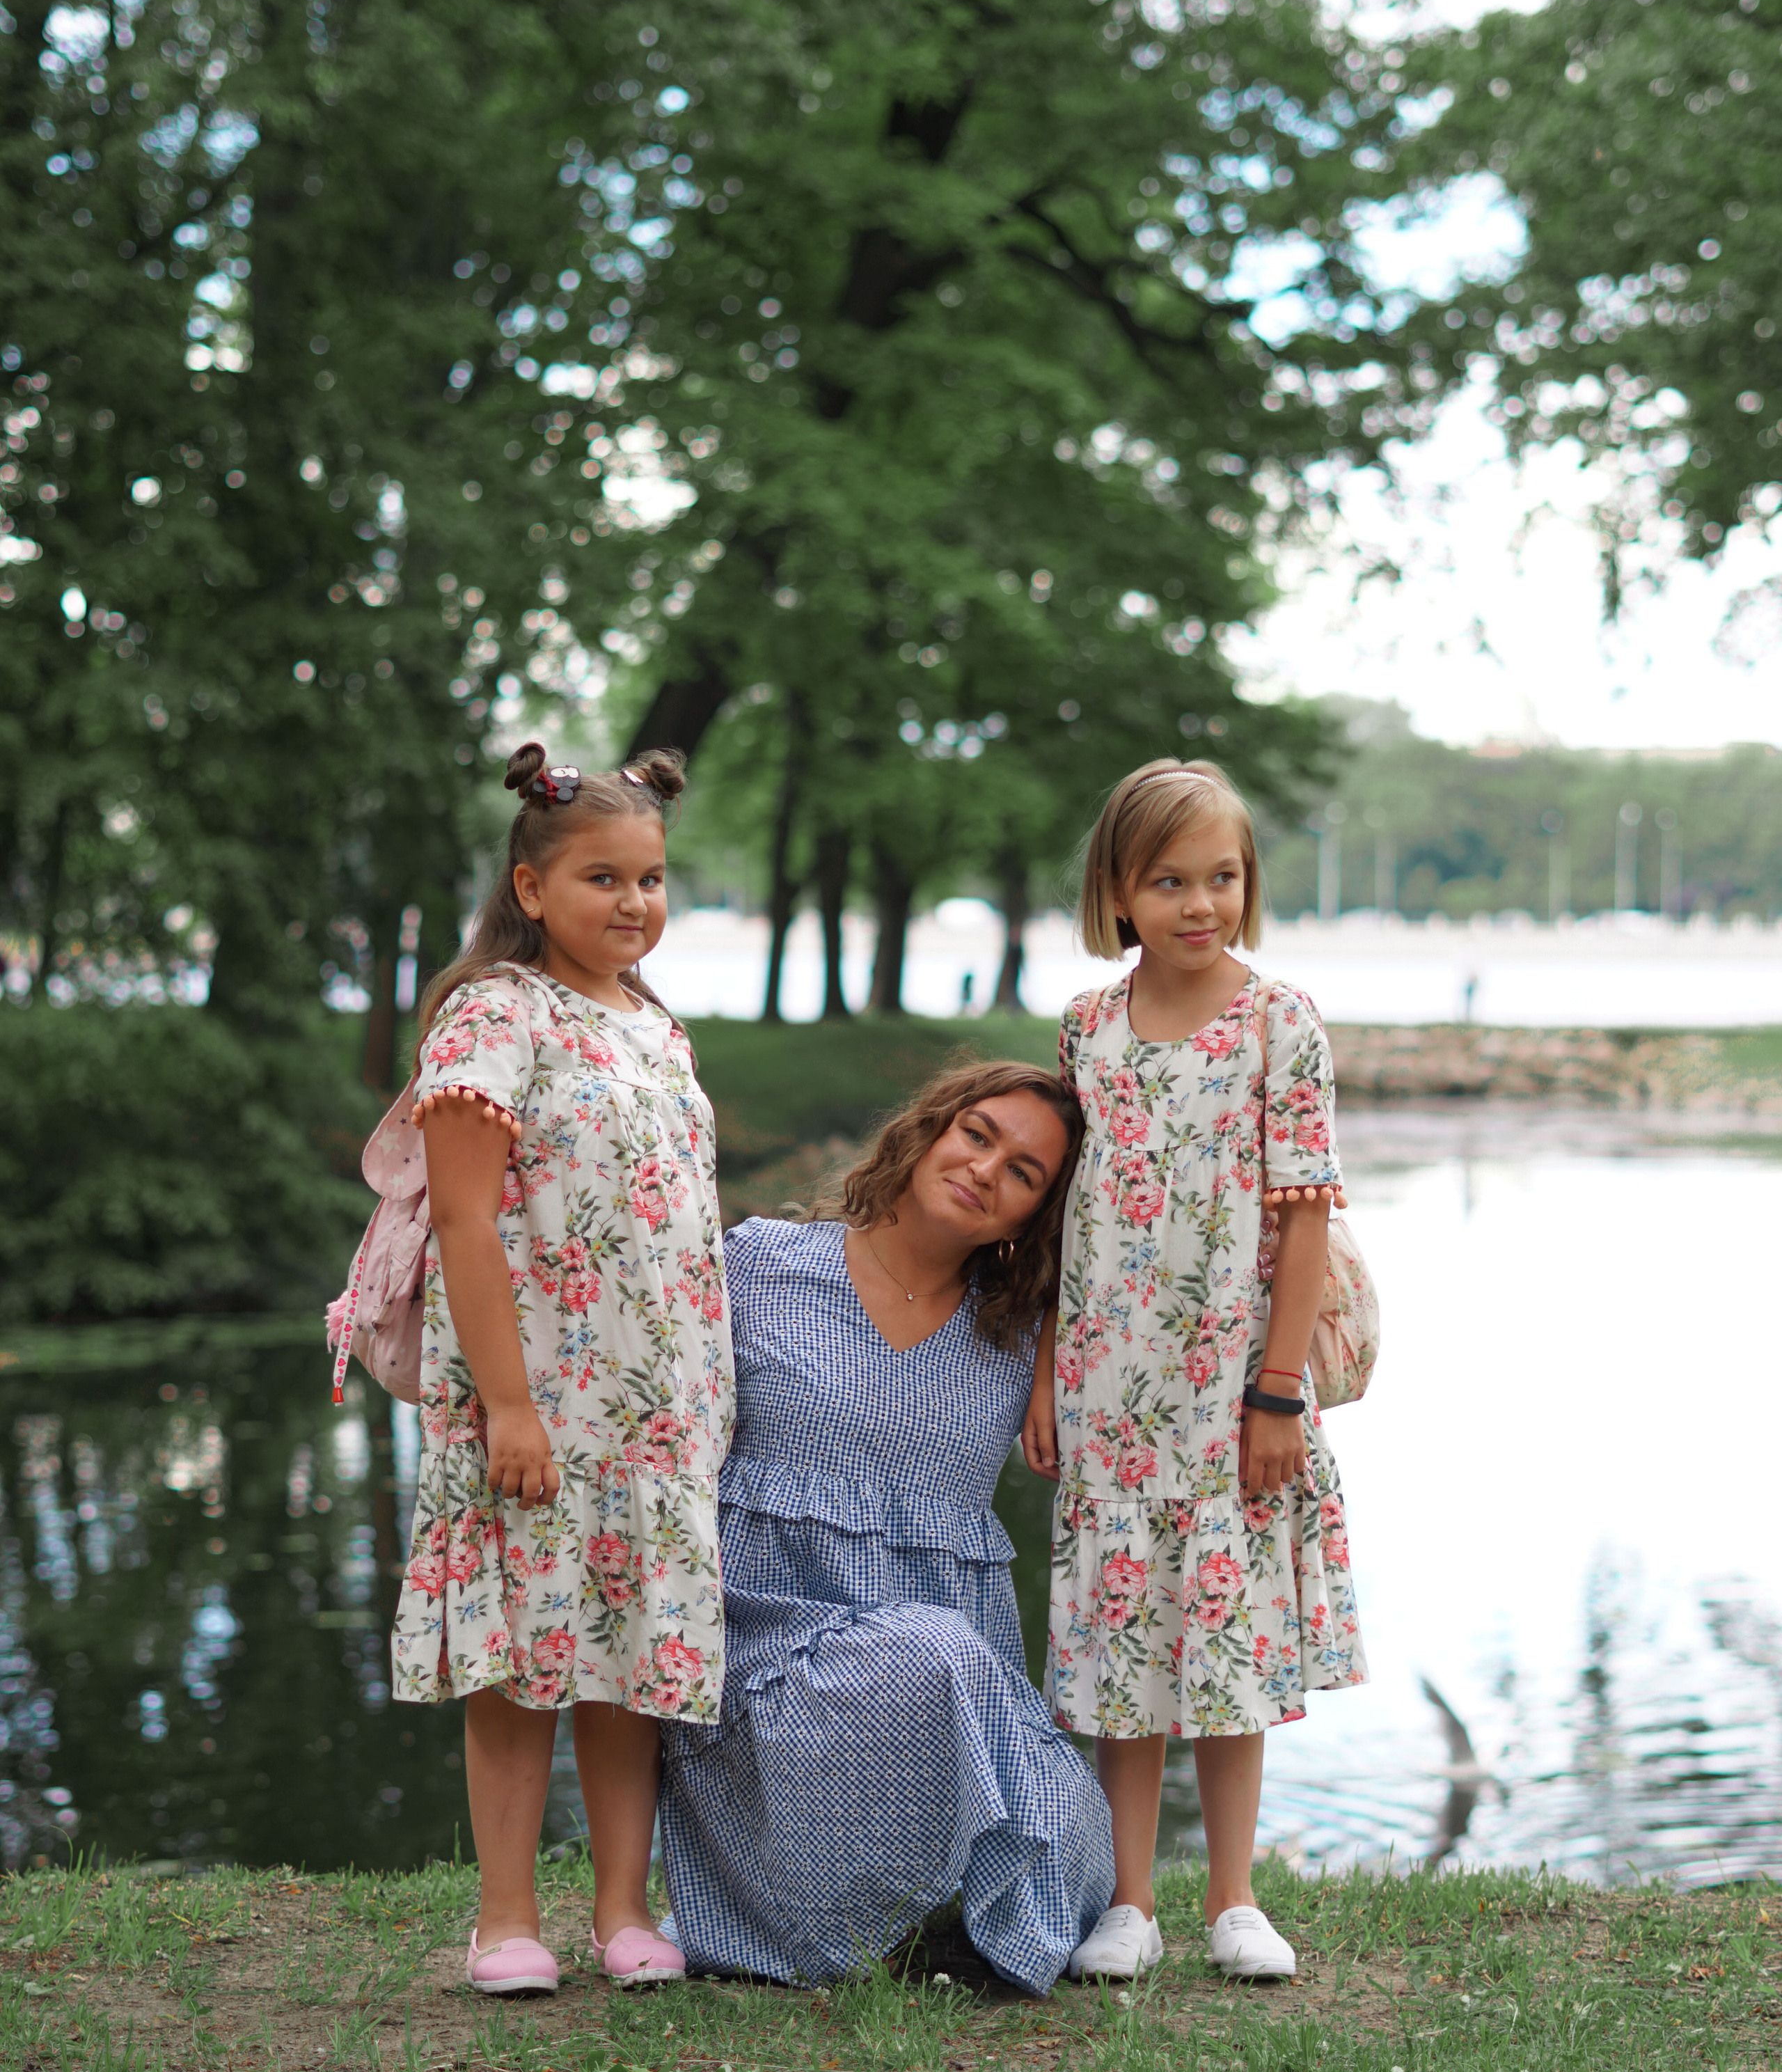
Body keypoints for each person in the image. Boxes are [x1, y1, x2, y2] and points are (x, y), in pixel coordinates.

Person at [392, 741, 731, 1998]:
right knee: (524, 1658)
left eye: (651, 879)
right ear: (534, 890)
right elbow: (467, 1223)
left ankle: (624, 1911)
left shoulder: (657, 1027)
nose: (634, 904)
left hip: (659, 1413)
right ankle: (503, 1918)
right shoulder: (494, 1014)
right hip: (539, 1402)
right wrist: (510, 1407)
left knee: (631, 1661)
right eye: (603, 878)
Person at [659, 1062, 1116, 1993]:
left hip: (948, 1699)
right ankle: (832, 1921)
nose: (988, 1170)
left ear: (1038, 1216)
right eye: (978, 1136)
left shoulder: (1028, 1336)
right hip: (765, 1675)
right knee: (928, 1651)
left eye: (1025, 1173)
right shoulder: (761, 1264)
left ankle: (931, 1935)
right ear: (927, 1131)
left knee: (1085, 1837)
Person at [1024, 759, 1366, 1983]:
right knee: (1126, 1649)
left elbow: (1306, 1212)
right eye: (1168, 880)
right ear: (1118, 890)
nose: (1198, 903)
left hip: (1232, 1384)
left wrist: (1280, 1388)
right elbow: (1069, 1213)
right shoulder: (1087, 1027)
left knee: (1222, 1641)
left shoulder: (1281, 1021)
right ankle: (1129, 1904)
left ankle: (1233, 1898)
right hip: (1112, 1387)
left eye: (1221, 876)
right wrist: (1048, 1365)